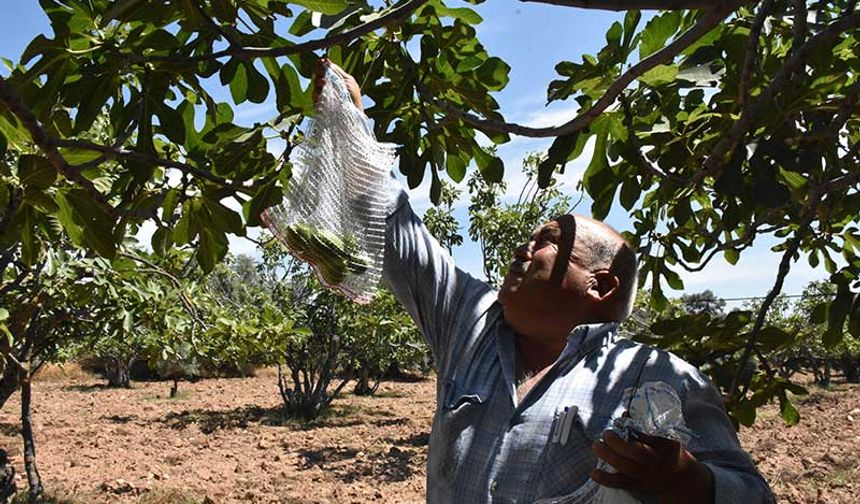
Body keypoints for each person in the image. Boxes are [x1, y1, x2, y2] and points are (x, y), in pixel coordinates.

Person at [315, 60, 775, 504]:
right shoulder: (470, 324)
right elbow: (399, 232)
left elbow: (753, 496)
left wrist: (684, 480)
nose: (524, 249)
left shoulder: (657, 380)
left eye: (549, 243)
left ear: (600, 286)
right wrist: (350, 123)